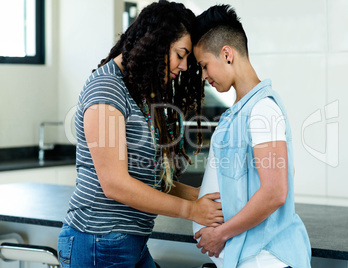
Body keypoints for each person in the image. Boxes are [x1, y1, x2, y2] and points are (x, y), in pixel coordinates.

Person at [57, 1, 224, 267]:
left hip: (123, 242)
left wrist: (199, 196)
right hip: (98, 240)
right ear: (156, 42)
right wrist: (192, 210)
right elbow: (115, 184)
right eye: (180, 55)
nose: (183, 67)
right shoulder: (107, 89)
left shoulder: (136, 91)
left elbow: (147, 178)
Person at [191, 4, 312, 268]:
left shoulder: (262, 110)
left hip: (267, 260)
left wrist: (219, 234)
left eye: (204, 65)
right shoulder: (239, 112)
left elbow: (275, 192)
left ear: (227, 54)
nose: (203, 76)